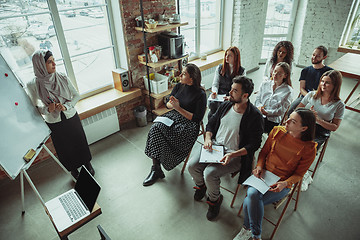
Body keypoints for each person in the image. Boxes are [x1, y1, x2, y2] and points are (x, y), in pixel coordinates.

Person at [233, 108, 317, 240]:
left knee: (250, 199)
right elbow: (263, 153)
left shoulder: (309, 149)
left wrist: (285, 183)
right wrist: (259, 166)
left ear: (304, 128)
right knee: (253, 196)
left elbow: (299, 174)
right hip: (263, 174)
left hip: (281, 183)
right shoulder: (278, 131)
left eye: (293, 121)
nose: (287, 121)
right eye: (289, 117)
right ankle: (256, 235)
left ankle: (247, 230)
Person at [188, 76, 264, 221]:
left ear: (245, 95)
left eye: (234, 91)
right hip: (215, 147)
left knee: (210, 173)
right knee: (192, 166)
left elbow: (254, 144)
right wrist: (208, 138)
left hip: (234, 155)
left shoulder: (255, 116)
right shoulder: (226, 105)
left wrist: (234, 154)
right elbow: (211, 123)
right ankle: (201, 186)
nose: (230, 92)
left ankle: (214, 200)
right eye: (231, 88)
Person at [27, 50, 94, 179]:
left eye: (54, 60)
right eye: (49, 62)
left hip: (70, 115)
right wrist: (48, 109)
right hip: (53, 122)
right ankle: (73, 169)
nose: (54, 64)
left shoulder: (62, 76)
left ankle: (87, 164)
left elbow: (76, 95)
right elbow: (34, 108)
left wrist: (66, 106)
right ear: (40, 64)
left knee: (79, 140)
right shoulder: (33, 85)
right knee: (64, 147)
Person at [143, 63, 207, 186]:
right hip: (174, 116)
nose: (180, 75)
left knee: (171, 134)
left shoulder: (201, 94)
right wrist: (172, 105)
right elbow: (167, 103)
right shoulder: (179, 86)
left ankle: (163, 162)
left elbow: (197, 118)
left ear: (192, 78)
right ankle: (156, 168)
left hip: (189, 124)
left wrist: (178, 108)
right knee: (155, 128)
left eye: (184, 74)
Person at [296, 70, 345, 148]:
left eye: (327, 83)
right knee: (289, 140)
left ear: (335, 85)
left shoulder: (339, 105)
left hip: (320, 131)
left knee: (308, 148)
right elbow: (297, 110)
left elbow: (334, 127)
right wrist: (306, 114)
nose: (323, 84)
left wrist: (318, 119)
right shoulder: (311, 94)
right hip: (304, 124)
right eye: (322, 81)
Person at [287, 45, 333, 116]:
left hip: (321, 99)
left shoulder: (329, 72)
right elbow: (302, 88)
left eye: (318, 56)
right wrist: (309, 98)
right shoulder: (305, 70)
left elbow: (330, 90)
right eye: (313, 55)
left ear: (324, 57)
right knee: (291, 110)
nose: (314, 57)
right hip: (305, 96)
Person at [208, 46, 246, 119]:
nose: (226, 57)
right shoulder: (220, 68)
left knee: (226, 107)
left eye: (229, 56)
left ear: (235, 58)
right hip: (220, 94)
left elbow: (241, 90)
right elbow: (215, 84)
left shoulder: (242, 71)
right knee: (212, 106)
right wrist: (214, 92)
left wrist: (230, 97)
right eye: (226, 55)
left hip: (232, 95)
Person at [255, 62, 293, 133]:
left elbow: (281, 110)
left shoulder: (288, 91)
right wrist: (260, 108)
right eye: (275, 71)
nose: (275, 74)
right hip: (259, 114)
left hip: (273, 120)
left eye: (279, 73)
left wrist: (267, 113)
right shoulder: (265, 84)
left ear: (285, 75)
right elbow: (257, 99)